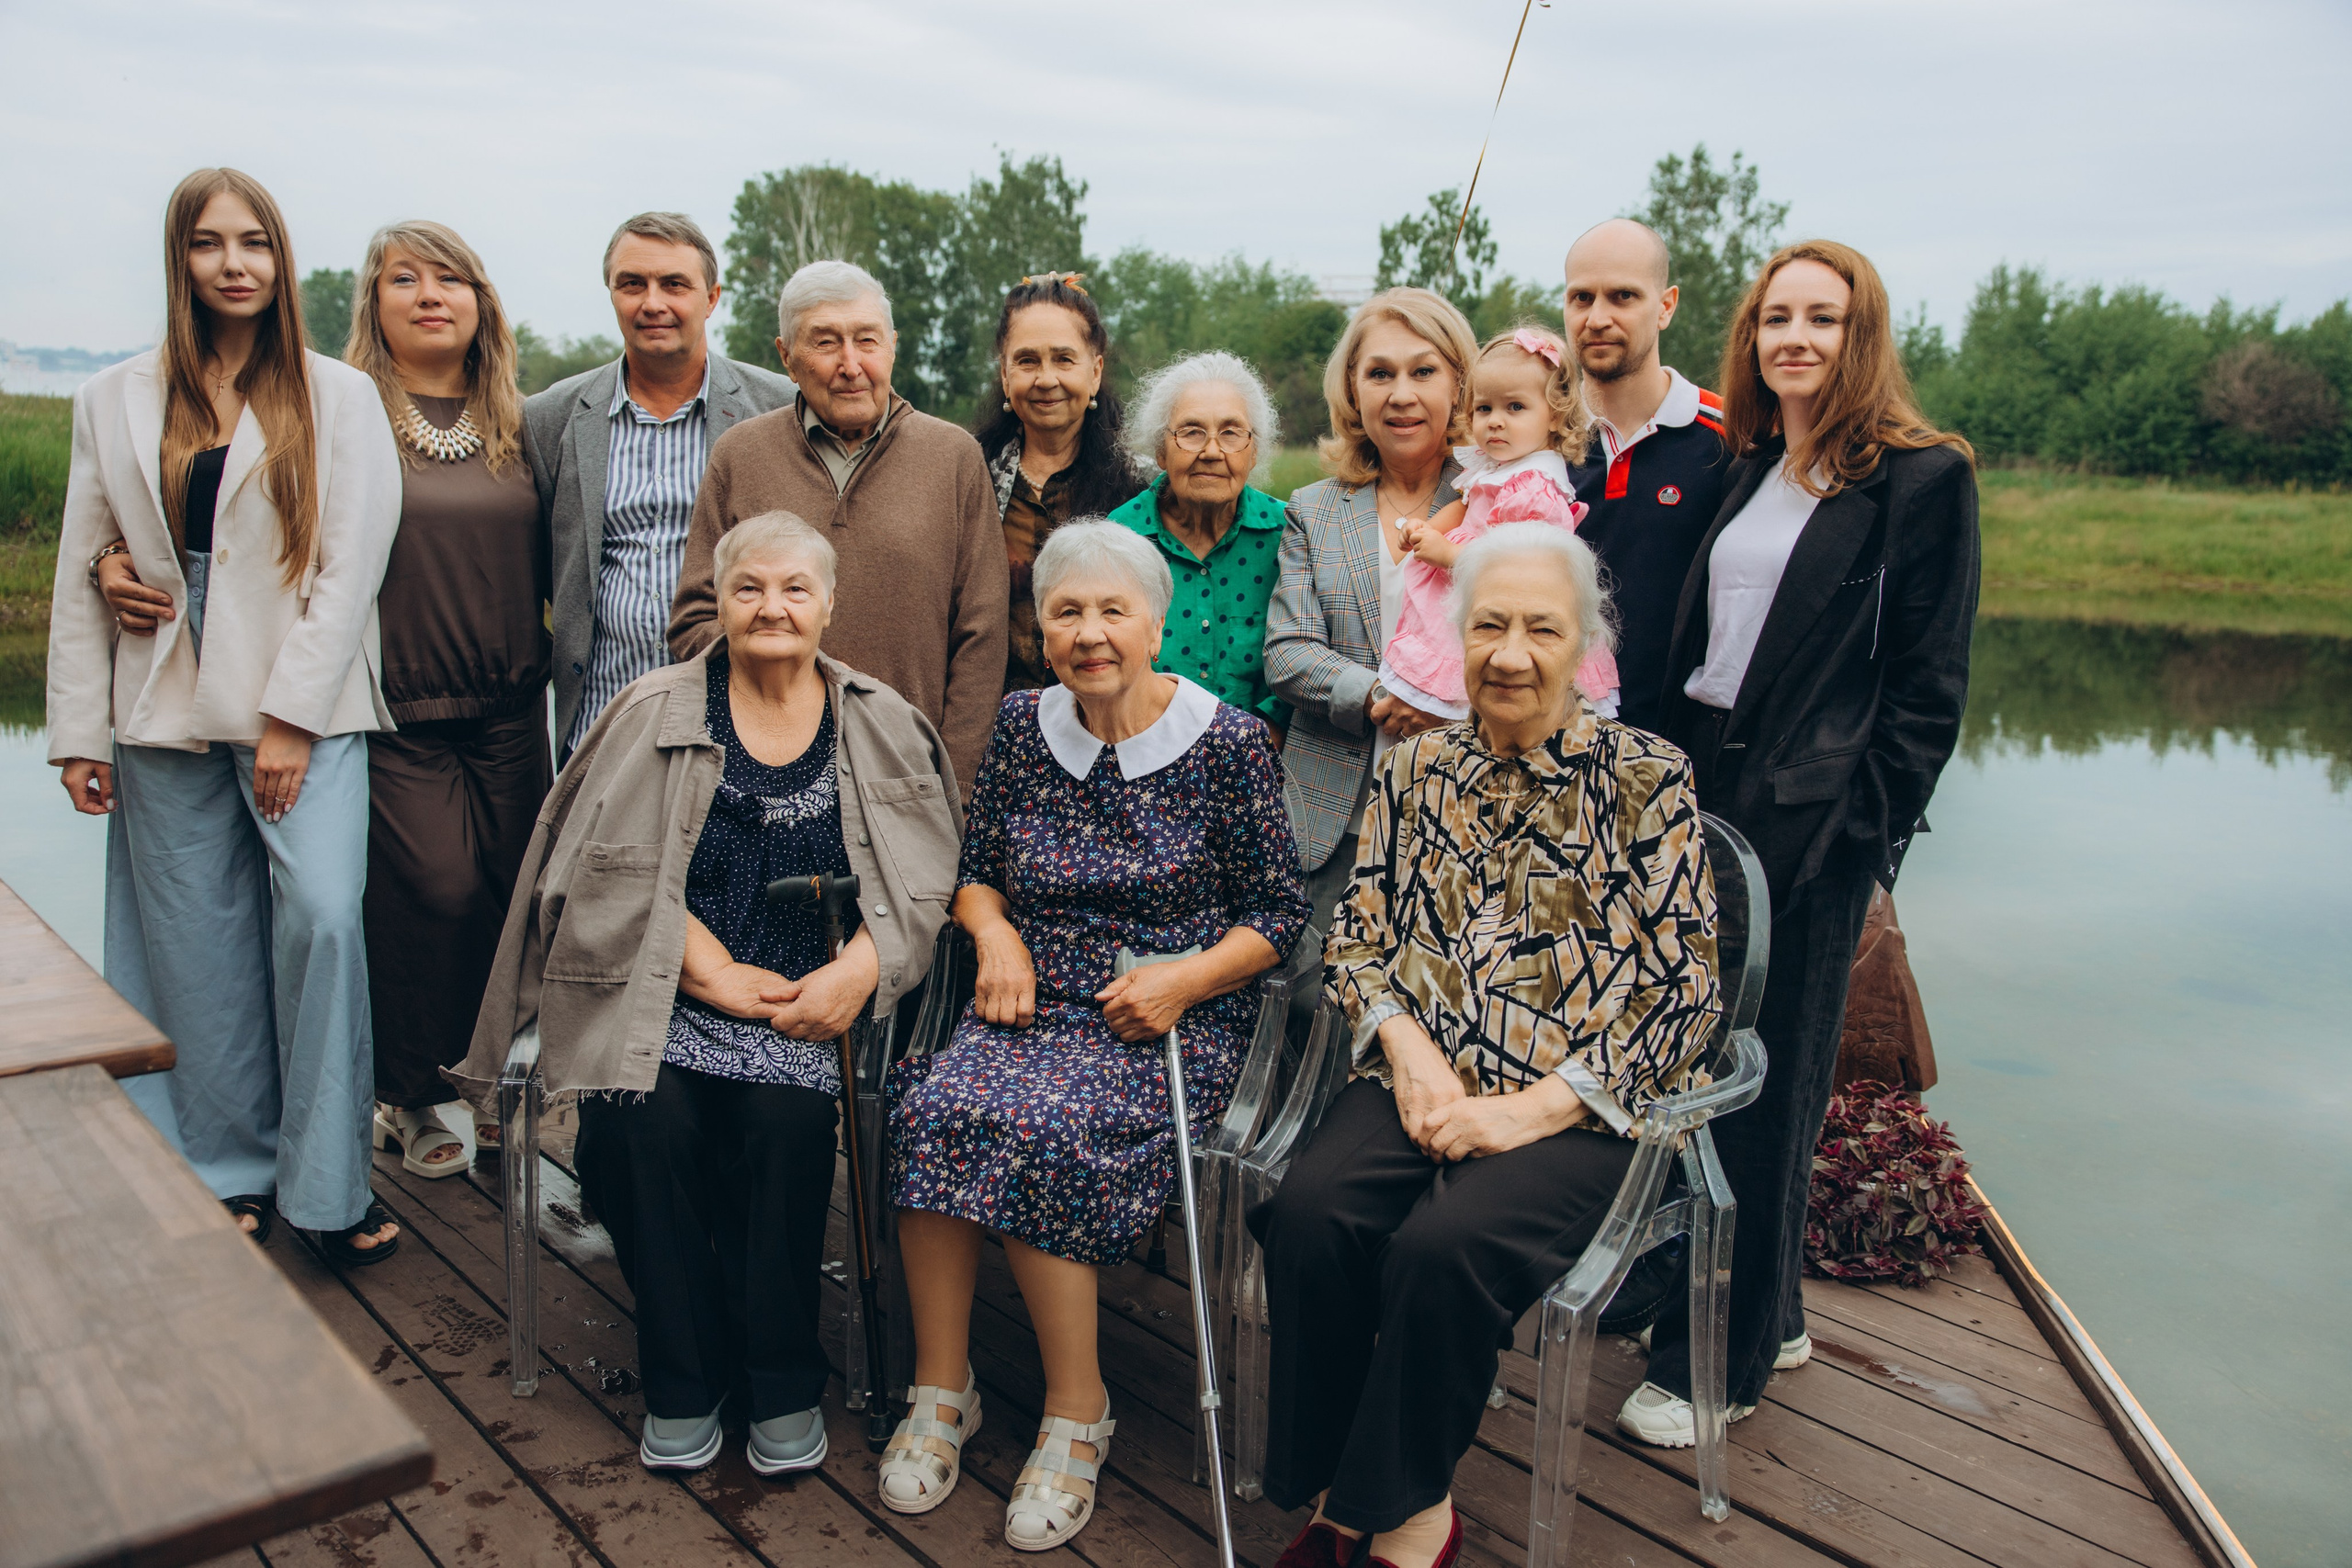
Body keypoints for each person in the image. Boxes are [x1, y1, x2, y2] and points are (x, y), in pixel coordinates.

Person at [448, 512, 961, 1477]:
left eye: (794, 589)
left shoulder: (879, 719)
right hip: (662, 995)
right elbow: (596, 869)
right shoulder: (655, 710)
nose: (771, 608)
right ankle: (682, 1378)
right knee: (640, 1129)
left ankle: (778, 1378)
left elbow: (924, 876)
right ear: (715, 601)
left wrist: (858, 970)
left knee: (784, 1129)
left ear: (829, 603)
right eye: (748, 588)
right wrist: (712, 971)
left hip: (809, 1003)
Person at [1253, 525, 1721, 1568]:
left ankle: (1409, 1508)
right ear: (1457, 638)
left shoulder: (1648, 778)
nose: (1510, 653)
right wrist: (1413, 1058)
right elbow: (1359, 937)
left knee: (1439, 1249)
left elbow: (1687, 991)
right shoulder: (1417, 767)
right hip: (1426, 1072)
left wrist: (1533, 1108)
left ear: (1584, 647)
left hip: (1586, 1106)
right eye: (1488, 626)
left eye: (1540, 629)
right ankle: (1332, 1483)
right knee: (1308, 1215)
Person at [878, 521, 1308, 1551]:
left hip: (1166, 1013)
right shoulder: (1026, 728)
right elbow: (975, 872)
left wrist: (1186, 979)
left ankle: (1078, 1413)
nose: (1090, 632)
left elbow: (1278, 915)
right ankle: (944, 1390)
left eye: (1114, 609)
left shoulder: (1230, 741)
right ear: (1041, 629)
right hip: (1033, 997)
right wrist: (993, 938)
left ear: (1158, 624)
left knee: (1046, 1128)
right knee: (935, 1105)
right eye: (1067, 611)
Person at [1623, 240, 1979, 1448]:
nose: (1796, 337)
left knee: (1770, 1088)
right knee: (1688, 1052)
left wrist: (1858, 845)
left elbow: (1928, 692)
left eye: (1823, 318)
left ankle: (1722, 1359)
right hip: (1703, 779)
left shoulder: (1922, 481)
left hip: (1811, 813)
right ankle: (1750, 1305)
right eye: (1778, 317)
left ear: (1860, 335)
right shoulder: (1750, 465)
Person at [58, 167, 403, 1262]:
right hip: (159, 693)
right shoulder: (113, 393)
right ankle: (227, 1173)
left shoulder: (337, 394)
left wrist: (292, 718)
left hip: (298, 694)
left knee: (323, 919)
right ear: (181, 260)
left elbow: (351, 568)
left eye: (254, 242)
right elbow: (83, 563)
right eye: (210, 245)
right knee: (193, 945)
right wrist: (75, 731)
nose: (234, 264)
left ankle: (329, 1188)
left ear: (282, 258)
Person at [339, 220, 548, 1179]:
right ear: (373, 304)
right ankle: (407, 1091)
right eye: (404, 279)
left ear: (481, 303)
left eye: (451, 279)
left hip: (510, 707)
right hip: (399, 709)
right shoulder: (343, 416)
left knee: (510, 902)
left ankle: (492, 1087)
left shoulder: (523, 422)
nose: (430, 295)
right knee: (434, 890)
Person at [667, 260, 1010, 796]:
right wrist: (777, 685)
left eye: (866, 341)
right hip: (757, 779)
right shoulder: (741, 455)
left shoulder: (954, 458)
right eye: (825, 343)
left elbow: (982, 639)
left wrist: (954, 783)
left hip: (907, 775)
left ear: (892, 346)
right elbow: (693, 620)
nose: (851, 364)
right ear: (786, 357)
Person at [526, 211, 796, 761]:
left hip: (738, 723)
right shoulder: (551, 417)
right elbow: (543, 568)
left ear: (711, 297)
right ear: (611, 293)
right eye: (633, 284)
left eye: (674, 284)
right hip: (602, 725)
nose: (653, 303)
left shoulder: (779, 407)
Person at [1263, 287, 1476, 977]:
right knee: (1307, 1010)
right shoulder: (1315, 510)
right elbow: (1288, 653)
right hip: (1332, 821)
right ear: (1353, 391)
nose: (1401, 393)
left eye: (1424, 371)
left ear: (1459, 381)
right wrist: (1380, 695)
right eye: (1379, 373)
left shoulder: (1497, 501)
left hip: (1463, 816)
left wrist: (1445, 705)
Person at [1380, 325, 1617, 720]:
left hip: (1501, 601)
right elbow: (1466, 504)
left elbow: (1514, 570)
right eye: (1484, 408)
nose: (1495, 421)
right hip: (1474, 594)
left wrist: (1447, 552)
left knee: (1475, 673)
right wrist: (1428, 528)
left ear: (1555, 417)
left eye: (1515, 408)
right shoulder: (1496, 467)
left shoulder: (1537, 487)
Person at [1561, 220, 1733, 730]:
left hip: (1686, 756)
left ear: (1666, 305)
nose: (1597, 318)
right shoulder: (1536, 442)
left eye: (1622, 296)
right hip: (1552, 750)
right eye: (1581, 298)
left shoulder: (1733, 440)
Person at [974, 272, 1147, 692]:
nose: (1046, 379)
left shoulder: (1143, 486)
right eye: (1027, 360)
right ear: (1004, 374)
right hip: (993, 729)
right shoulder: (968, 478)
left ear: (1095, 371)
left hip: (1109, 723)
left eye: (1064, 359)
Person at [1109, 350, 1288, 731]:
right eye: (1191, 432)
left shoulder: (1290, 535)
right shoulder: (1119, 539)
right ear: (1160, 449)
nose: (1211, 451)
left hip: (1263, 762)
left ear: (1254, 451)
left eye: (1230, 433)